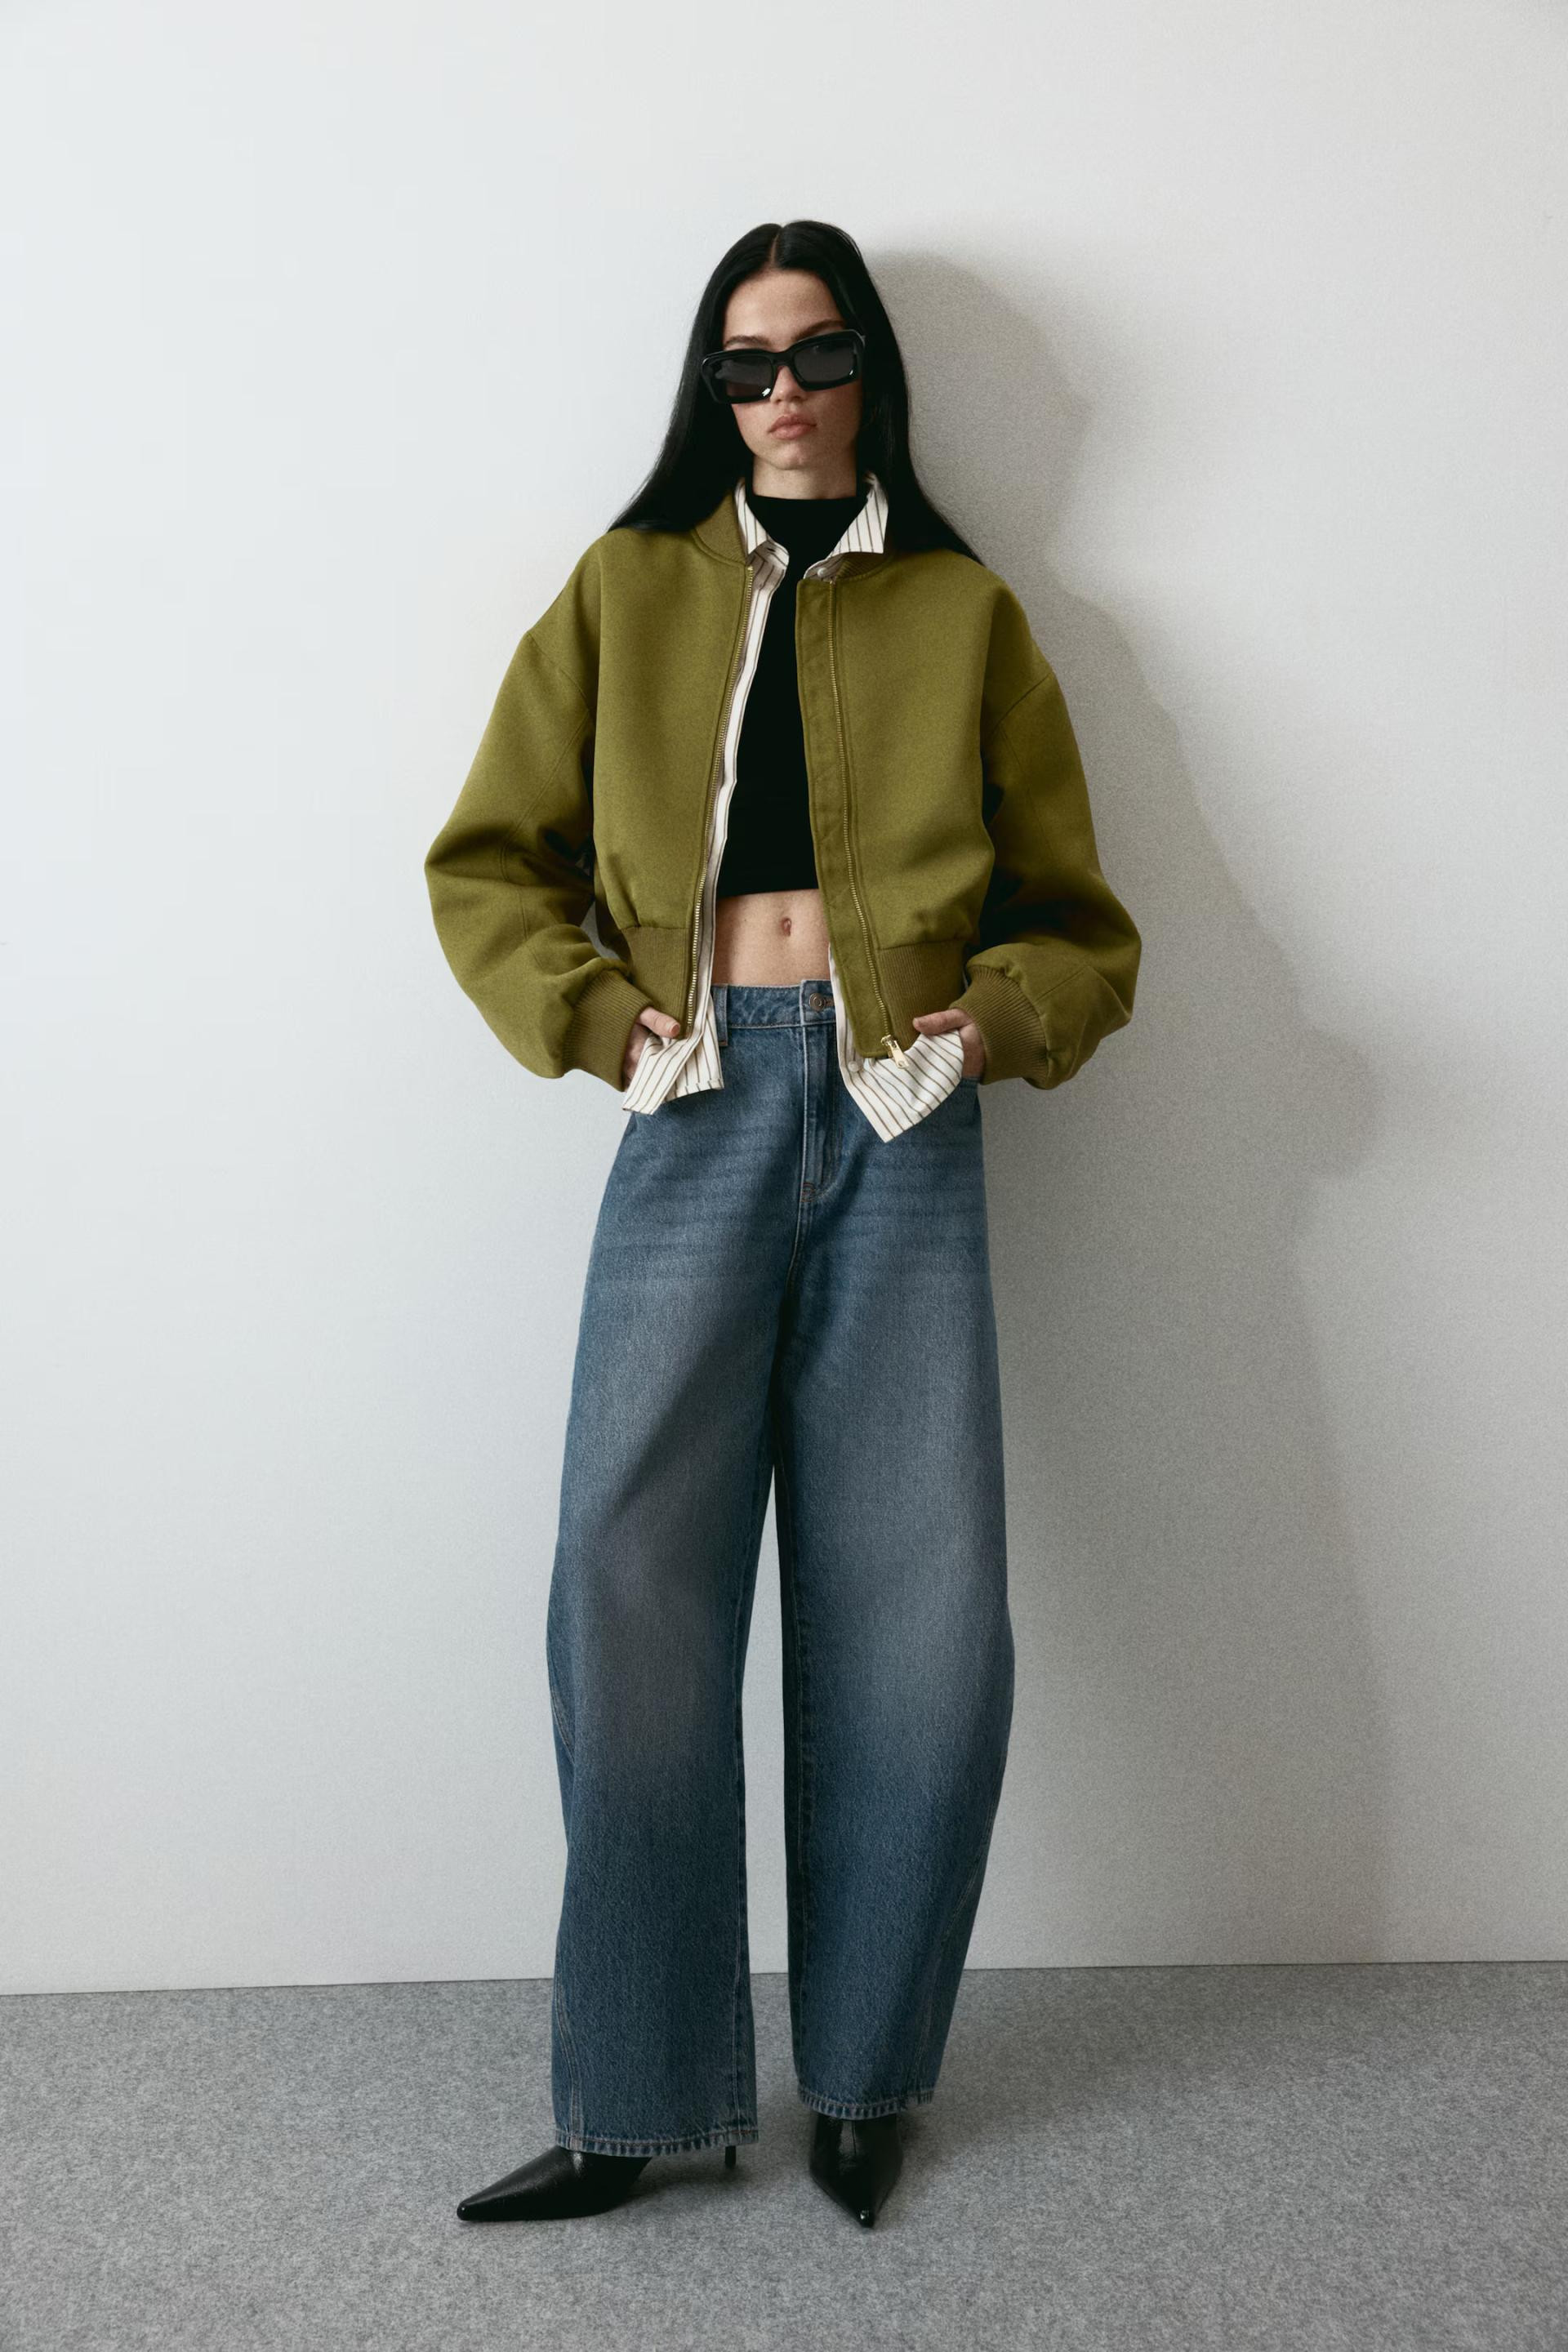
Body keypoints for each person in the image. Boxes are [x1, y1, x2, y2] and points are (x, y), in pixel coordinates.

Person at [424, 218, 1141, 2230]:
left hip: (906, 1108)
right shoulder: (628, 588)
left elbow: (1084, 929)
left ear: (868, 371)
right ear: (713, 390)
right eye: (746, 365)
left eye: (818, 355)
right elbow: (486, 865)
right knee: (626, 1582)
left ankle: (866, 2079)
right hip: (695, 1098)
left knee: (920, 1602)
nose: (786, 394)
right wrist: (601, 1026)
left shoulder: (965, 611)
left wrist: (985, 1028)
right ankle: (636, 2095)